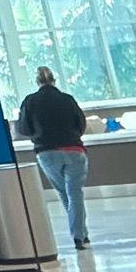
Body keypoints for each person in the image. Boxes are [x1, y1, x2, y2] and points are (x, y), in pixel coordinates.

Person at [17, 65, 91, 250]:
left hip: (46, 151)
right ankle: (80, 235)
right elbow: (81, 123)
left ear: (37, 82)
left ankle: (80, 234)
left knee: (64, 193)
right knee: (75, 193)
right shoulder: (67, 99)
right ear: (54, 80)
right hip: (74, 149)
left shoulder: (30, 101)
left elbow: (23, 128)